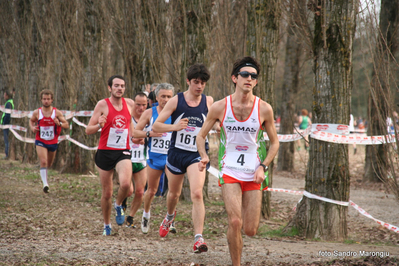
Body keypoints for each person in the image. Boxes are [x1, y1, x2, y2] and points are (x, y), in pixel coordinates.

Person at [196, 56, 279, 266]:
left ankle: (236, 236)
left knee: (250, 229)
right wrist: (204, 156)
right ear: (235, 78)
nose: (249, 78)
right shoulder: (219, 107)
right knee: (234, 221)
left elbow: (275, 143)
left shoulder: (264, 109)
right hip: (230, 169)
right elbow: (200, 135)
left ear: (256, 81)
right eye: (245, 74)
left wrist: (263, 166)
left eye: (253, 76)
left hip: (254, 171)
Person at [152, 63, 213, 253]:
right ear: (188, 81)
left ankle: (198, 238)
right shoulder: (176, 101)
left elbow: (218, 122)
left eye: (202, 83)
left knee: (196, 193)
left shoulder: (209, 102)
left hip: (197, 155)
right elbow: (156, 126)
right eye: (196, 82)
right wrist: (174, 127)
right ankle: (169, 216)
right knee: (174, 194)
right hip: (177, 153)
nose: (199, 86)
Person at [85, 75, 135, 236]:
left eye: (122, 86)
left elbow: (132, 124)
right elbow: (88, 130)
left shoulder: (130, 104)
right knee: (107, 192)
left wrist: (137, 136)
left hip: (122, 151)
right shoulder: (102, 104)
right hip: (105, 152)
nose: (120, 88)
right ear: (109, 88)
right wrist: (99, 125)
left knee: (126, 185)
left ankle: (118, 204)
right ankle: (107, 224)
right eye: (116, 86)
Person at [133, 83, 174, 234]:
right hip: (155, 157)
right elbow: (135, 133)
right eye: (163, 96)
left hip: (171, 158)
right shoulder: (150, 113)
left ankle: (170, 219)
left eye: (169, 96)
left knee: (173, 191)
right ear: (156, 97)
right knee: (151, 190)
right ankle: (146, 214)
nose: (166, 99)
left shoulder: (176, 113)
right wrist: (149, 133)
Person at [29, 89, 69, 193]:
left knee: (49, 164)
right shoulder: (37, 112)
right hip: (40, 140)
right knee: (43, 161)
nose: (46, 101)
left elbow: (66, 125)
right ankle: (45, 184)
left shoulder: (57, 112)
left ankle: (45, 179)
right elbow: (31, 121)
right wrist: (32, 128)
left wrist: (59, 123)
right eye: (44, 99)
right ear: (41, 100)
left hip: (53, 141)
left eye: (48, 99)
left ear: (52, 100)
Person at [123, 92, 148, 228]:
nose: (141, 108)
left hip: (141, 159)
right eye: (138, 104)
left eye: (144, 105)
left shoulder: (149, 119)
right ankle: (122, 202)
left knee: (140, 191)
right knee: (129, 190)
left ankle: (130, 218)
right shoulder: (128, 117)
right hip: (126, 157)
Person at [1, 90, 14, 159]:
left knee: (6, 140)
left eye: (4, 94)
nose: (3, 96)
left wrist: (4, 123)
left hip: (7, 124)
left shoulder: (8, 103)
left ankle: (7, 155)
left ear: (7, 95)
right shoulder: (9, 102)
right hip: (7, 124)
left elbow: (7, 114)